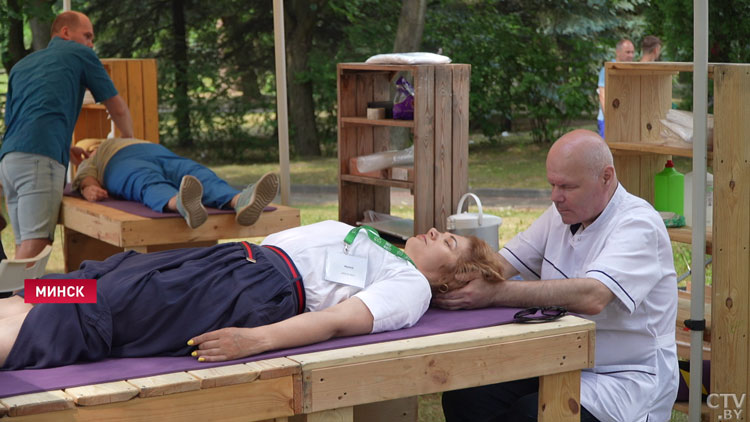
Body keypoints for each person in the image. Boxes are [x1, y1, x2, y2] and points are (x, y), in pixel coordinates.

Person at [0, 220, 502, 369]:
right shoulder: (384, 247)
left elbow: (335, 322)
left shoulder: (410, 286)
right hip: (227, 259)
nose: (437, 231)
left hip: (247, 287)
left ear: (451, 278)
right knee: (83, 284)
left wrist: (255, 341)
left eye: (449, 241)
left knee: (87, 311)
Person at [435, 129, 679, 422]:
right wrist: (435, 278)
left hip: (625, 377)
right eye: (552, 184)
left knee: (533, 414)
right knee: (467, 396)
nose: (555, 197)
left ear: (606, 176)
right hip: (561, 359)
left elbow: (593, 296)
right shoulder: (563, 214)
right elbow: (498, 267)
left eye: (566, 186)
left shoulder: (638, 224)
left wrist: (494, 293)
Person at [0, 11, 134, 260]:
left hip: (9, 161)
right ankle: (13, 299)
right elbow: (118, 108)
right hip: (39, 161)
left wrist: (64, 146)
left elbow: (20, 120)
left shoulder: (21, 66)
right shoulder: (80, 54)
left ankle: (25, 298)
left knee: (23, 249)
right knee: (34, 251)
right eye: (87, 36)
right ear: (65, 32)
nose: (91, 43)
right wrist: (128, 146)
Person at [72, 138, 279, 229]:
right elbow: (86, 178)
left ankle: (240, 201)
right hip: (119, 162)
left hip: (157, 152)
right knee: (145, 181)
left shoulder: (116, 142)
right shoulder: (94, 159)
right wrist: (90, 187)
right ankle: (182, 203)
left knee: (197, 175)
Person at [597, 39, 635, 138]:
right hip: (607, 121)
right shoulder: (607, 69)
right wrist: (610, 119)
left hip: (624, 120)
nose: (631, 55)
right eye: (627, 52)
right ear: (618, 52)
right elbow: (602, 95)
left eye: (632, 52)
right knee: (607, 151)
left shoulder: (629, 70)